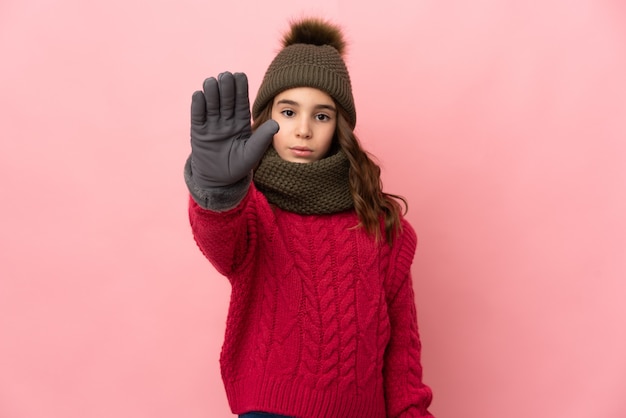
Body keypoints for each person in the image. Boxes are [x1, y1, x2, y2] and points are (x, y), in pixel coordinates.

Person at [184, 17, 434, 418]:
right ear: (267, 117)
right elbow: (220, 244)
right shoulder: (252, 210)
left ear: (340, 127)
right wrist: (218, 190)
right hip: (268, 411)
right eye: (288, 112)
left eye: (321, 116)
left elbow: (402, 355)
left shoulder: (384, 226)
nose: (302, 129)